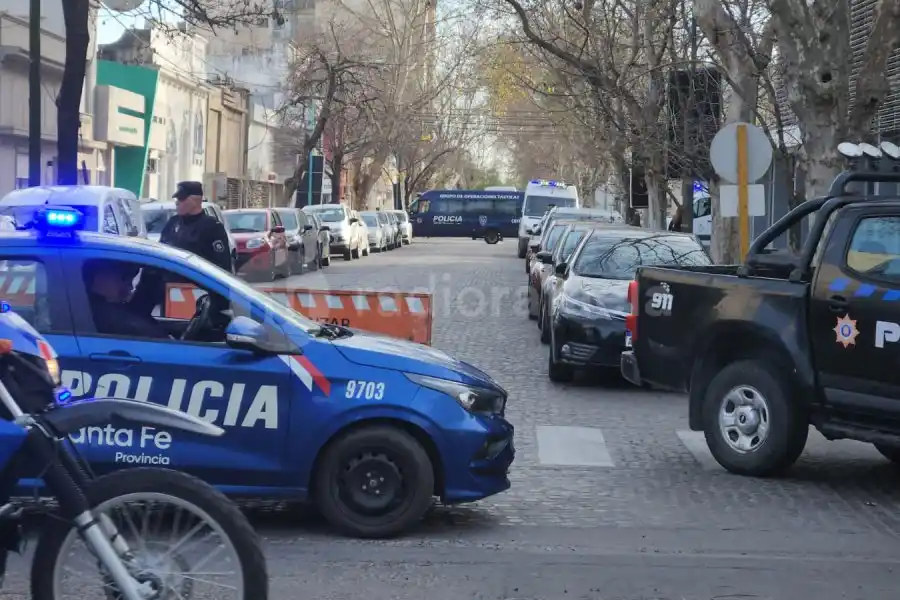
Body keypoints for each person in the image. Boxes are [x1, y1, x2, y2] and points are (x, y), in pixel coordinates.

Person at [86, 260, 172, 340]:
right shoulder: (103, 314)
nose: (130, 286)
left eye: (131, 280)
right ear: (100, 278)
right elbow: (135, 327)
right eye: (124, 278)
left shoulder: (90, 306)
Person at [160, 181, 233, 273]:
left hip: (196, 283)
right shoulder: (173, 223)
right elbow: (160, 254)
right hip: (169, 282)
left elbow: (222, 266)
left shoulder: (212, 227)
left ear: (193, 201)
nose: (177, 203)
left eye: (181, 199)